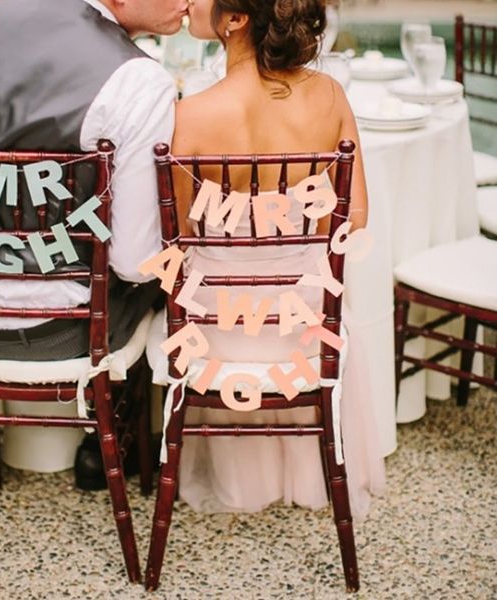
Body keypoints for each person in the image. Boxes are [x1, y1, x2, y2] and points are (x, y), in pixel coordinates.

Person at [0, 0, 189, 502]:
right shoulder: (139, 80)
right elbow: (133, 262)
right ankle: (102, 441)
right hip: (61, 332)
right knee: (158, 270)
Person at [165, 0, 385, 518]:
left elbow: (177, 237)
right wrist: (288, 243)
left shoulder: (190, 115)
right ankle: (312, 469)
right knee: (330, 303)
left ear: (235, 18)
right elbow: (355, 220)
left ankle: (239, 477)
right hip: (303, 322)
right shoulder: (329, 96)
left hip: (218, 327)